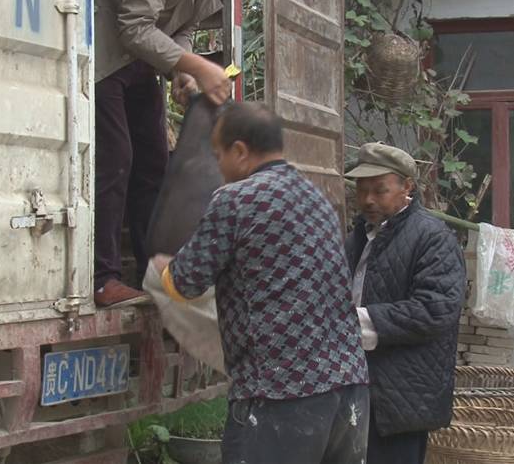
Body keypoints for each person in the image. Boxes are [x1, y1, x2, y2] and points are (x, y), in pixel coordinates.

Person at [150, 103, 370, 464]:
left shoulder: (236, 200)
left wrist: (163, 269)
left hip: (280, 397)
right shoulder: (320, 201)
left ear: (239, 151)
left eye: (219, 155)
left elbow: (183, 283)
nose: (218, 167)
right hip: (349, 391)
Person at [92, 0, 265, 307]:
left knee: (154, 162)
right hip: (100, 54)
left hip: (138, 59)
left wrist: (182, 74)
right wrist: (198, 68)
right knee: (116, 159)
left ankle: (153, 277)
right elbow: (134, 28)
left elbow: (182, 29)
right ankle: (104, 278)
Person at [344, 142, 467, 464]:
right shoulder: (359, 234)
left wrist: (352, 322)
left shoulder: (432, 237)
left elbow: (435, 310)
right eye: (362, 189)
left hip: (402, 394)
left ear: (406, 187)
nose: (368, 199)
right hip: (356, 384)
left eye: (379, 190)